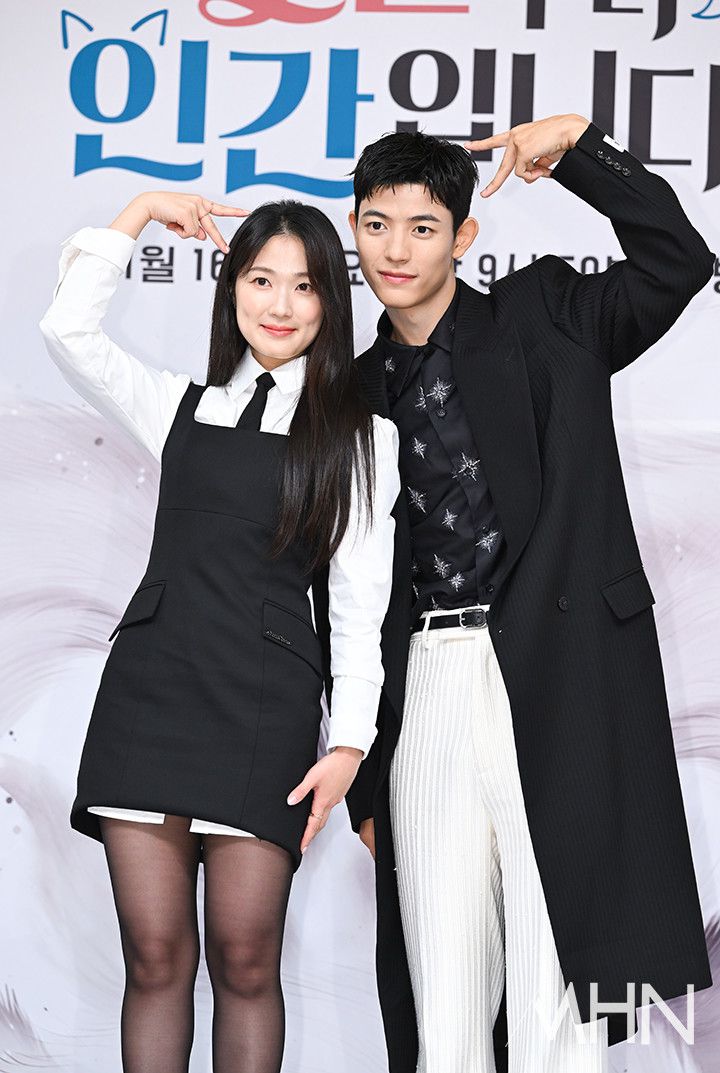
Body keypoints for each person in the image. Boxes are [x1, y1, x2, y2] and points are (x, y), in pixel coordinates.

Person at [314, 114, 714, 1072]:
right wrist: (368, 772)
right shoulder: (347, 396)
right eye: (376, 224)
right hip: (428, 686)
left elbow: (679, 260)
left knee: (560, 994)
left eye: (422, 226)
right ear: (354, 230)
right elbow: (348, 597)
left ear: (464, 235)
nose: (396, 249)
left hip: (564, 681)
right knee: (444, 994)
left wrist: (579, 149)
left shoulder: (547, 315)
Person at [39, 191, 400, 1073]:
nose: (280, 305)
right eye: (261, 279)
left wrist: (350, 743)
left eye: (305, 286)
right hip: (149, 698)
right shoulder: (177, 404)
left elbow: (359, 606)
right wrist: (137, 212)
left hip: (264, 710)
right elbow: (67, 331)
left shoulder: (361, 439)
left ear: (331, 302)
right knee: (155, 959)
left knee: (245, 960)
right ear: (231, 285)